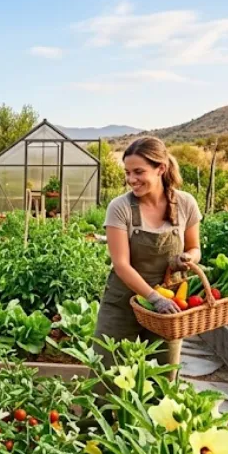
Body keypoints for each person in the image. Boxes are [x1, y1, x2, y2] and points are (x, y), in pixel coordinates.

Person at [94, 136, 202, 365]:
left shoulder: (185, 204)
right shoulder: (120, 207)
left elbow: (195, 248)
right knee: (107, 371)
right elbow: (121, 265)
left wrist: (187, 257)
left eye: (138, 172)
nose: (131, 179)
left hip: (169, 301)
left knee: (163, 375)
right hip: (123, 300)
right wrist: (154, 299)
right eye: (127, 173)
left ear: (160, 168)